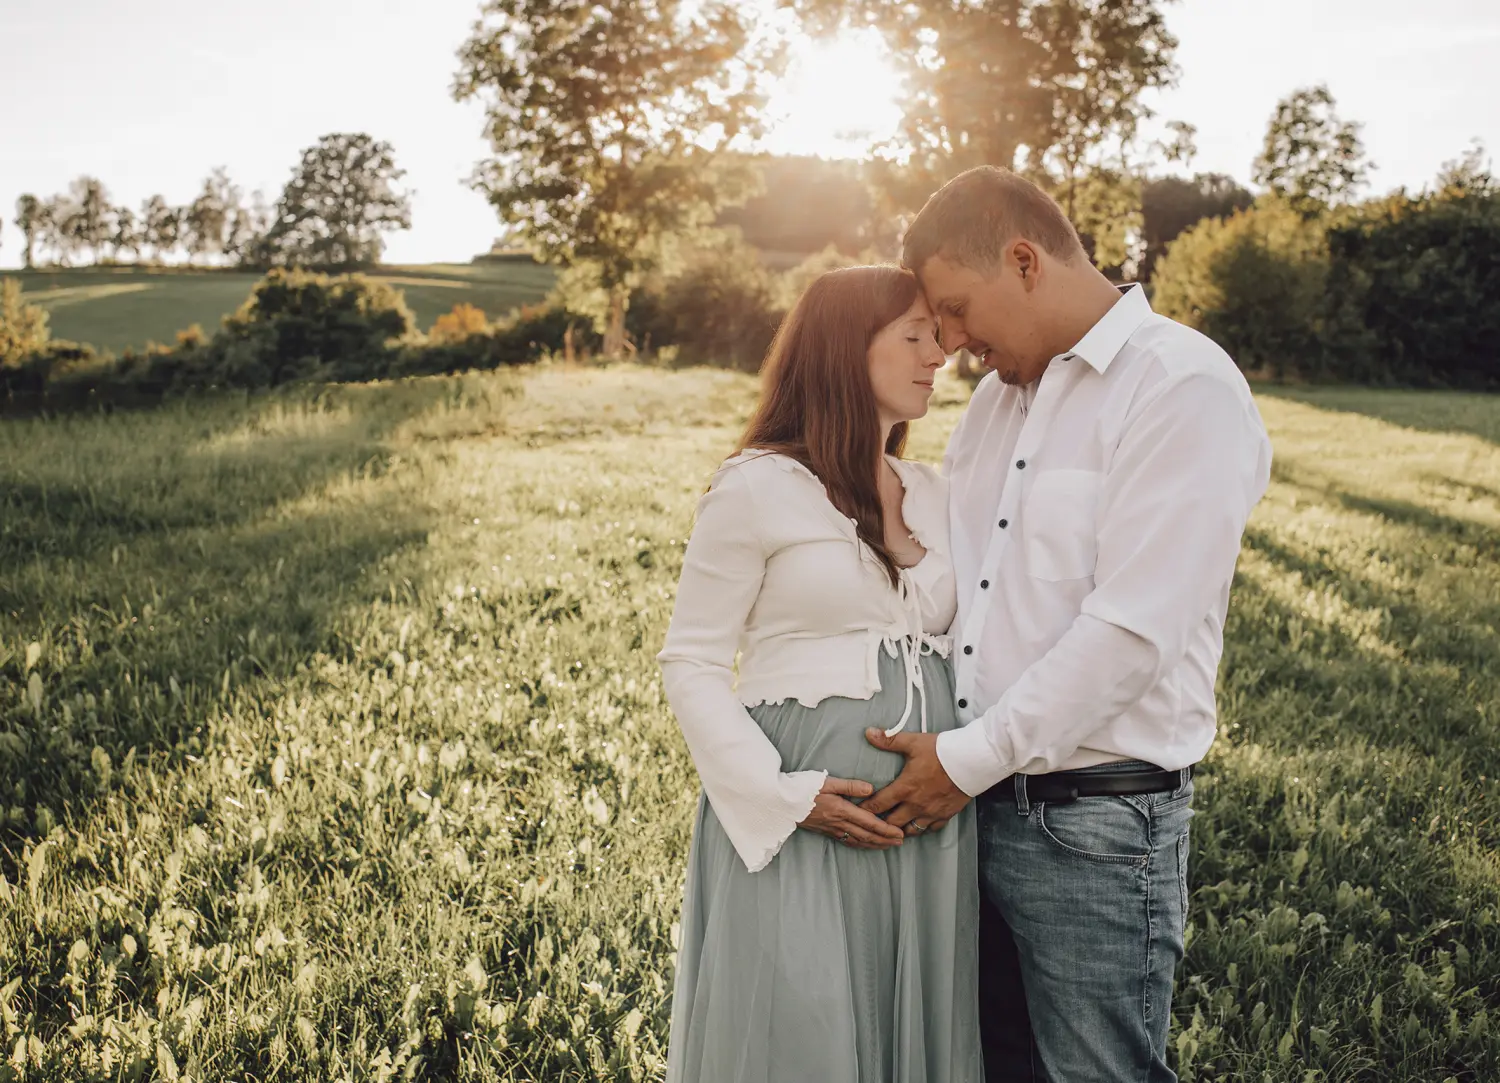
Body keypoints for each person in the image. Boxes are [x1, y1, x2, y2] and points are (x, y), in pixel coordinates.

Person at [862, 166, 1273, 1082]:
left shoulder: (1181, 385)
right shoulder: (992, 408)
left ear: (1024, 260)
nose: (955, 343)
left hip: (1094, 826)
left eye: (959, 310)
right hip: (967, 814)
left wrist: (962, 763)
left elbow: (1130, 633)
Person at [657, 264, 984, 1083]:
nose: (935, 353)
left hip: (929, 823)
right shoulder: (758, 485)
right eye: (911, 334)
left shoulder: (937, 492)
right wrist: (784, 794)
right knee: (801, 1034)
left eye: (935, 335)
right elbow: (691, 661)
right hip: (800, 808)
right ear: (846, 348)